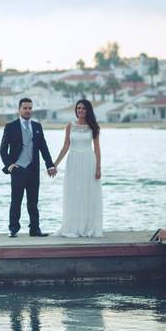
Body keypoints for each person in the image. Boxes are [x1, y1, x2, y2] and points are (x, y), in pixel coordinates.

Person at [0, 98, 56, 238]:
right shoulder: (10, 126)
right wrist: (9, 165)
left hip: (33, 169)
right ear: (19, 109)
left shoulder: (37, 126)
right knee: (16, 200)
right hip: (18, 169)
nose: (27, 110)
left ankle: (34, 229)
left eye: (30, 108)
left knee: (33, 201)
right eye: (25, 108)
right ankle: (13, 229)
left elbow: (43, 147)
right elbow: (2, 150)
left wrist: (49, 165)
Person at [51, 99, 103, 237]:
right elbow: (66, 146)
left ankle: (88, 226)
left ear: (88, 110)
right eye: (78, 108)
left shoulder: (93, 127)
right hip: (73, 162)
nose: (80, 110)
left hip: (88, 161)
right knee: (74, 193)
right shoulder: (70, 126)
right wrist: (55, 164)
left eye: (83, 108)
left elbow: (97, 149)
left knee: (88, 193)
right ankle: (73, 226)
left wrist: (98, 168)